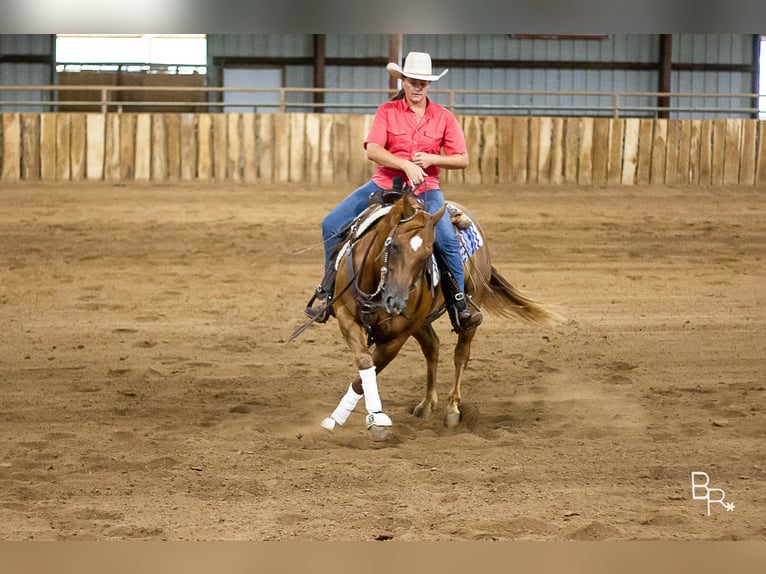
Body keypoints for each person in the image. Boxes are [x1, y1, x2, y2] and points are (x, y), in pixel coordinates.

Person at [303, 51, 483, 333]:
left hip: (426, 190)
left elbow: (463, 159)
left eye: (423, 82)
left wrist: (434, 159)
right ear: (404, 81)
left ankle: (459, 303)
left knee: (447, 240)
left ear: (429, 85)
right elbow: (373, 150)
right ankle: (328, 290)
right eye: (413, 81)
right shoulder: (387, 111)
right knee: (332, 223)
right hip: (384, 184)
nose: (418, 87)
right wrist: (403, 164)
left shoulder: (444, 117)